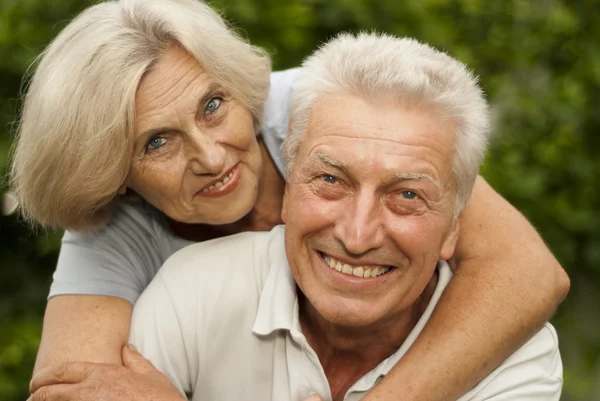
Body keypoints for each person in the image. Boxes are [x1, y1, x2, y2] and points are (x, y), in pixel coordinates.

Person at [13, 0, 568, 400]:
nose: (211, 154)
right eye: (156, 142)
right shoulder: (118, 228)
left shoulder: (337, 114)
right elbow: (75, 391)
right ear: (114, 179)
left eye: (212, 105)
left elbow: (527, 272)